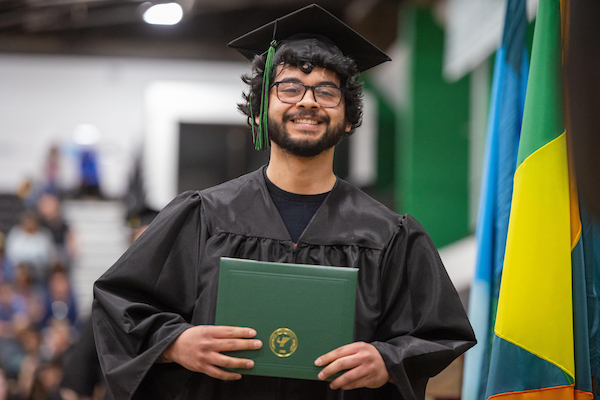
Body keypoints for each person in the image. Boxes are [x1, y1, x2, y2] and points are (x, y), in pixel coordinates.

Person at [92, 4, 476, 400]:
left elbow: (440, 332)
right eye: (290, 87)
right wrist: (175, 344)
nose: (307, 102)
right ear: (260, 112)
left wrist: (388, 360)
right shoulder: (203, 216)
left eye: (327, 91)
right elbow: (119, 303)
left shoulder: (389, 236)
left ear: (348, 118)